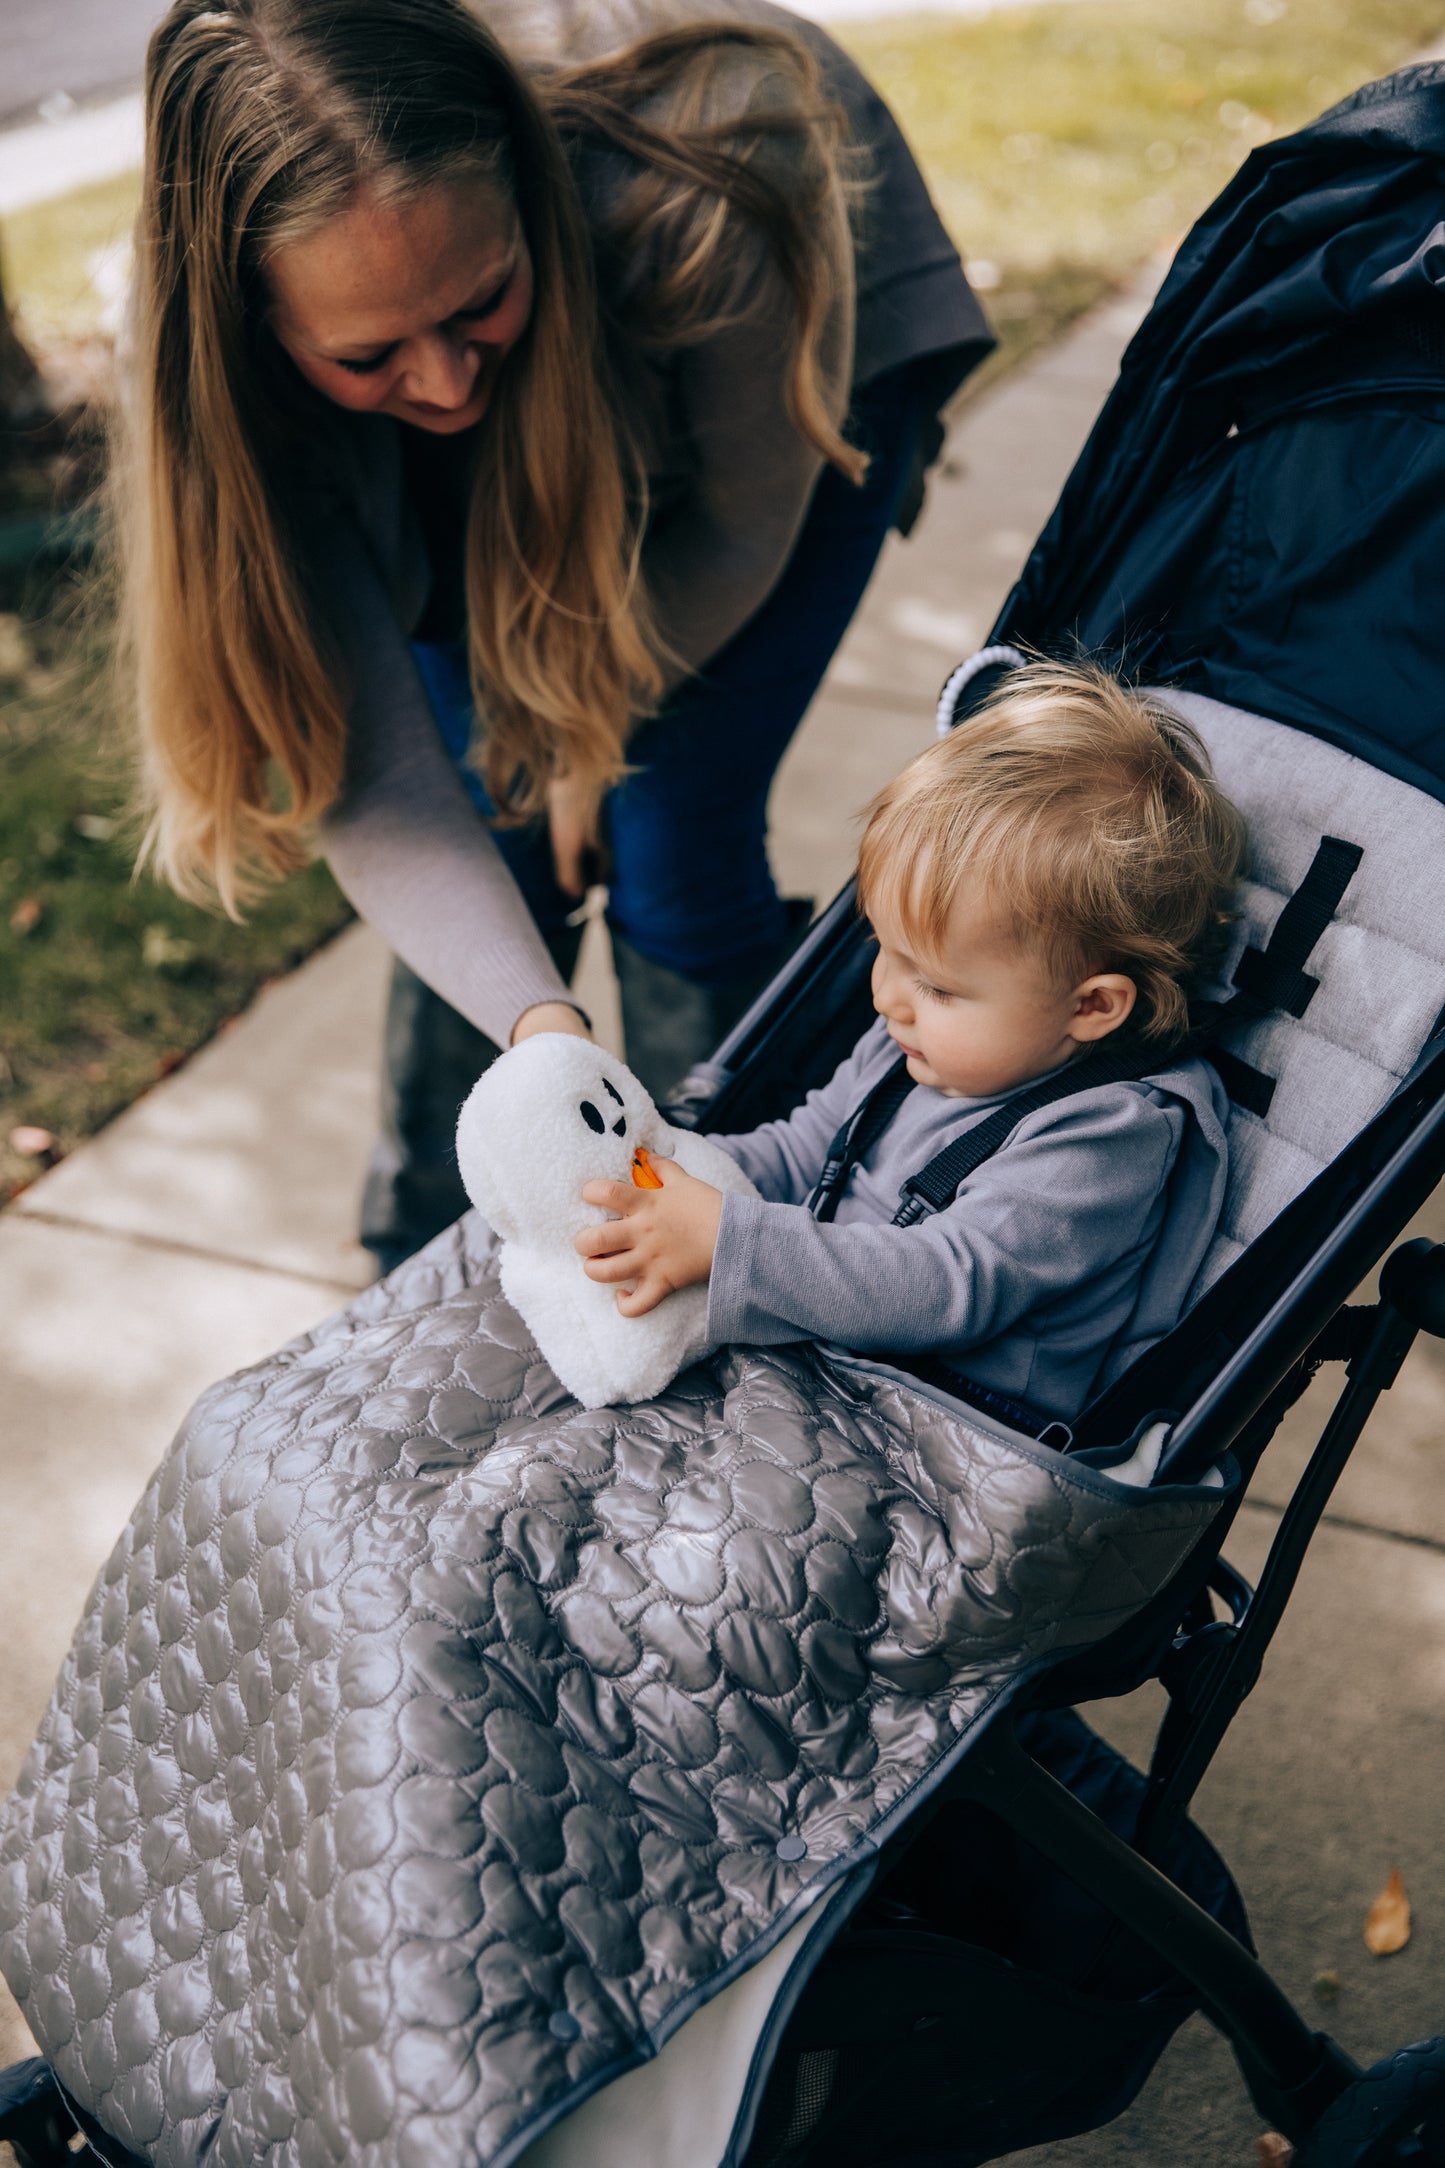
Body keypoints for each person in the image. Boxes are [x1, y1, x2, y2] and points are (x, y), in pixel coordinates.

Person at [123, 0, 993, 1275]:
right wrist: (544, 1035)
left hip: (775, 367)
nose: (441, 382)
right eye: (369, 354)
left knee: (670, 828)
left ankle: (732, 1236)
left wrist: (584, 727)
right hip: (533, 347)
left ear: (527, 202)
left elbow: (738, 532)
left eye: (479, 303)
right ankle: (427, 1259)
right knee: (491, 822)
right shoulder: (237, 343)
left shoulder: (714, 181)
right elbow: (380, 780)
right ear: (260, 329)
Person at [575, 660, 1245, 1427]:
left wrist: (728, 1242)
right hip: (822, 1364)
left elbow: (945, 1284)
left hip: (940, 1432)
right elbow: (802, 1152)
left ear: (1090, 1006)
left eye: (936, 987)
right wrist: (669, 1177)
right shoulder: (917, 1046)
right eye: (882, 951)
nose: (886, 996)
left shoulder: (1108, 1136)